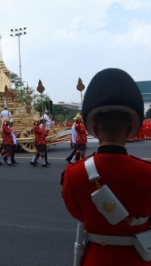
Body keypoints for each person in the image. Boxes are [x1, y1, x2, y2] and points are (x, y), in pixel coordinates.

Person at [62, 68, 151, 266]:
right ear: (130, 129)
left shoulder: (74, 174)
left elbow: (79, 215)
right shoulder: (148, 173)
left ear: (93, 128)